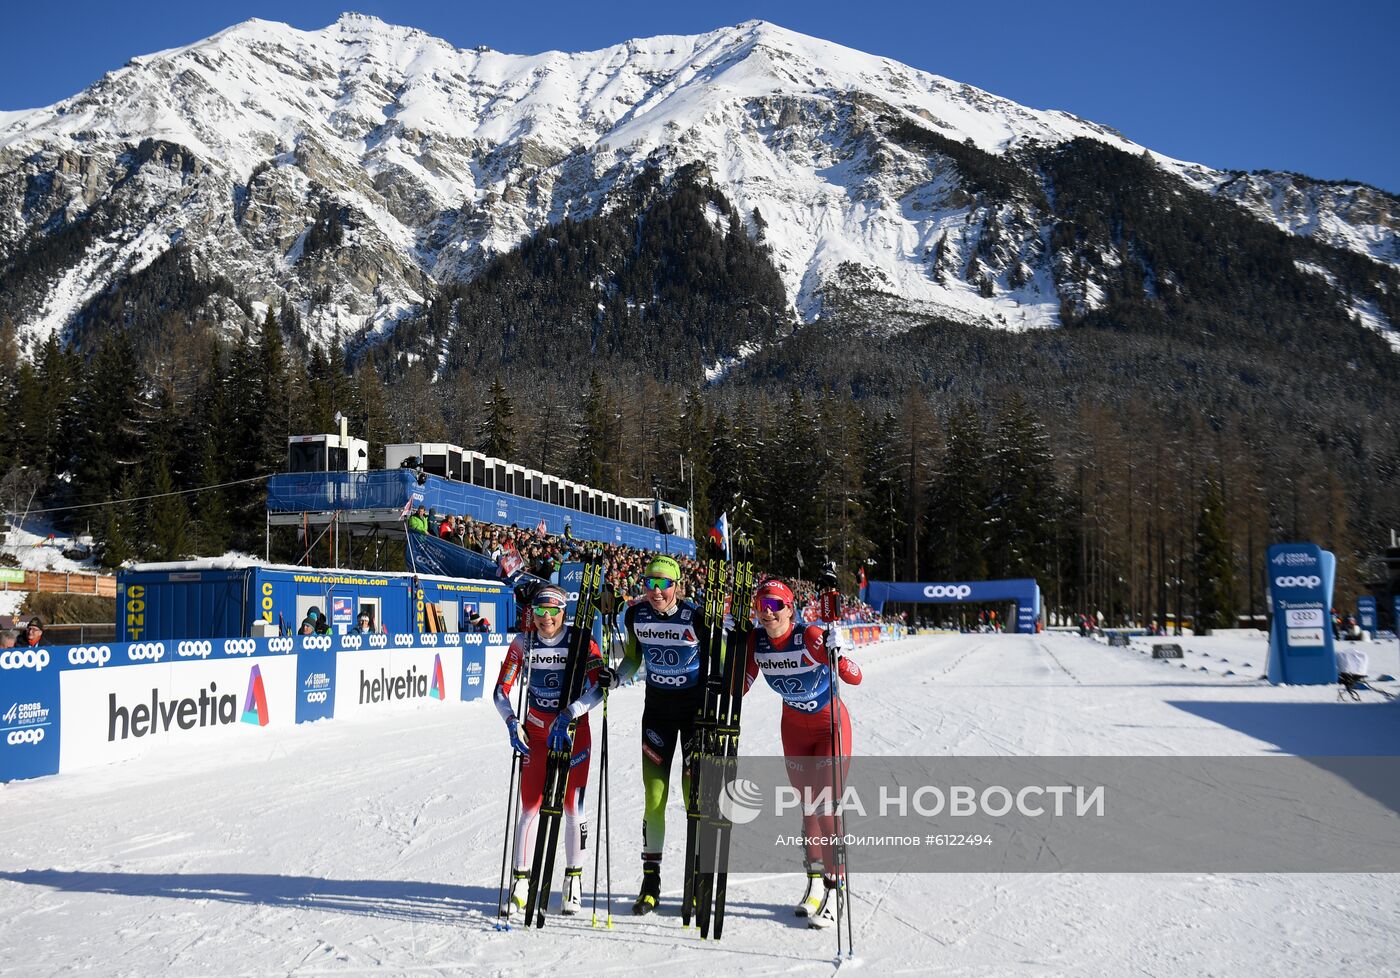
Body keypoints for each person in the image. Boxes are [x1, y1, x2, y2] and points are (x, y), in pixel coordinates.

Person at [581, 553, 720, 916]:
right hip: (657, 714)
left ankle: (697, 879)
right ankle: (650, 882)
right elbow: (632, 659)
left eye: (664, 584)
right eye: (650, 583)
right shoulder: (635, 615)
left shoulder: (696, 617)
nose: (656, 591)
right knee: (654, 799)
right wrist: (617, 675)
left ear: (678, 586)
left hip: (693, 716)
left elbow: (718, 661)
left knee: (694, 799)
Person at [742, 577, 862, 929]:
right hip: (794, 730)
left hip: (830, 727)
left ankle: (835, 888)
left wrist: (837, 656)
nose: (768, 613)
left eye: (775, 605)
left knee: (827, 807)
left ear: (790, 609)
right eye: (762, 606)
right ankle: (813, 884)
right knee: (808, 809)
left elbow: (855, 678)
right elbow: (739, 688)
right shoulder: (757, 641)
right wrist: (728, 646)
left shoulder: (809, 636)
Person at [493, 584, 603, 917]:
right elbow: (500, 691)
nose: (546, 618)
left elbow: (598, 690)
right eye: (540, 611)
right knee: (530, 809)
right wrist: (512, 722)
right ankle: (521, 884)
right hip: (537, 734)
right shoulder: (522, 643)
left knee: (573, 806)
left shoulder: (582, 641)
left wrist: (571, 713)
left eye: (553, 611)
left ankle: (573, 880)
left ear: (563, 612)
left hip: (572, 734)